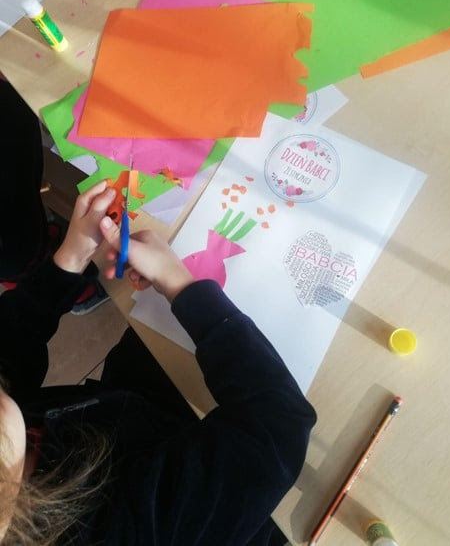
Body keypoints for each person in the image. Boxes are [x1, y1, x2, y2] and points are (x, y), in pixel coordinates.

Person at [0, 180, 317, 545]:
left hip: (129, 405)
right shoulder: (131, 529)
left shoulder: (9, 429)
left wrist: (70, 260)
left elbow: (10, 352)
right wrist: (177, 282)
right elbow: (279, 423)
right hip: (241, 485)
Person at [0, 77, 109, 314]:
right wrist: (71, 260)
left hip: (13, 165)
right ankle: (74, 293)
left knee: (25, 199)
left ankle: (43, 243)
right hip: (13, 251)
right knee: (21, 254)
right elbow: (21, 325)